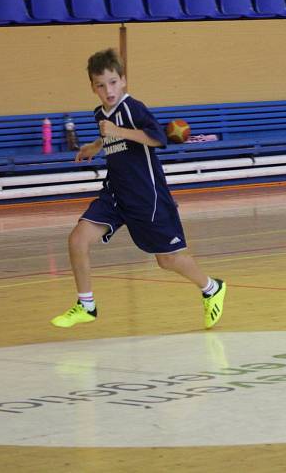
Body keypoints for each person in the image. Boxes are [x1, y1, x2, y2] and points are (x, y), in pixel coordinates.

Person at [50, 49, 227, 329]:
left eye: (112, 82)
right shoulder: (102, 113)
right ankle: (86, 305)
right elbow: (107, 133)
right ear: (92, 87)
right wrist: (95, 146)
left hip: (147, 196)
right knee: (77, 240)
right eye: (100, 85)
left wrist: (118, 132)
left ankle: (210, 288)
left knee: (167, 261)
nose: (107, 90)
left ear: (122, 80)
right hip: (115, 193)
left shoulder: (134, 108)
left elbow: (158, 139)